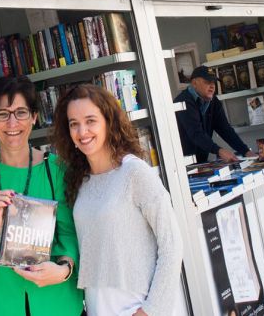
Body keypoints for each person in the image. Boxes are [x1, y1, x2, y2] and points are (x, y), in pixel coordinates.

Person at [0, 76, 83, 316]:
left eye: (21, 112)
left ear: (34, 117)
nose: (12, 123)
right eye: (3, 114)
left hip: (56, 301)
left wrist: (64, 269)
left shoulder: (57, 169)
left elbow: (71, 233)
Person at [51, 84, 183, 316]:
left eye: (90, 120)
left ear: (108, 122)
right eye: (74, 124)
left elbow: (172, 245)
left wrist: (150, 311)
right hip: (97, 307)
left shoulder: (135, 172)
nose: (82, 132)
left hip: (137, 306)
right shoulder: (80, 181)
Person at [174, 65, 255, 163]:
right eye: (207, 82)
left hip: (201, 162)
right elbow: (196, 134)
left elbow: (225, 130)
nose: (212, 86)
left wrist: (246, 151)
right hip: (181, 163)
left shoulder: (213, 101)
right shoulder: (183, 102)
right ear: (194, 83)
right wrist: (219, 151)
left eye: (213, 82)